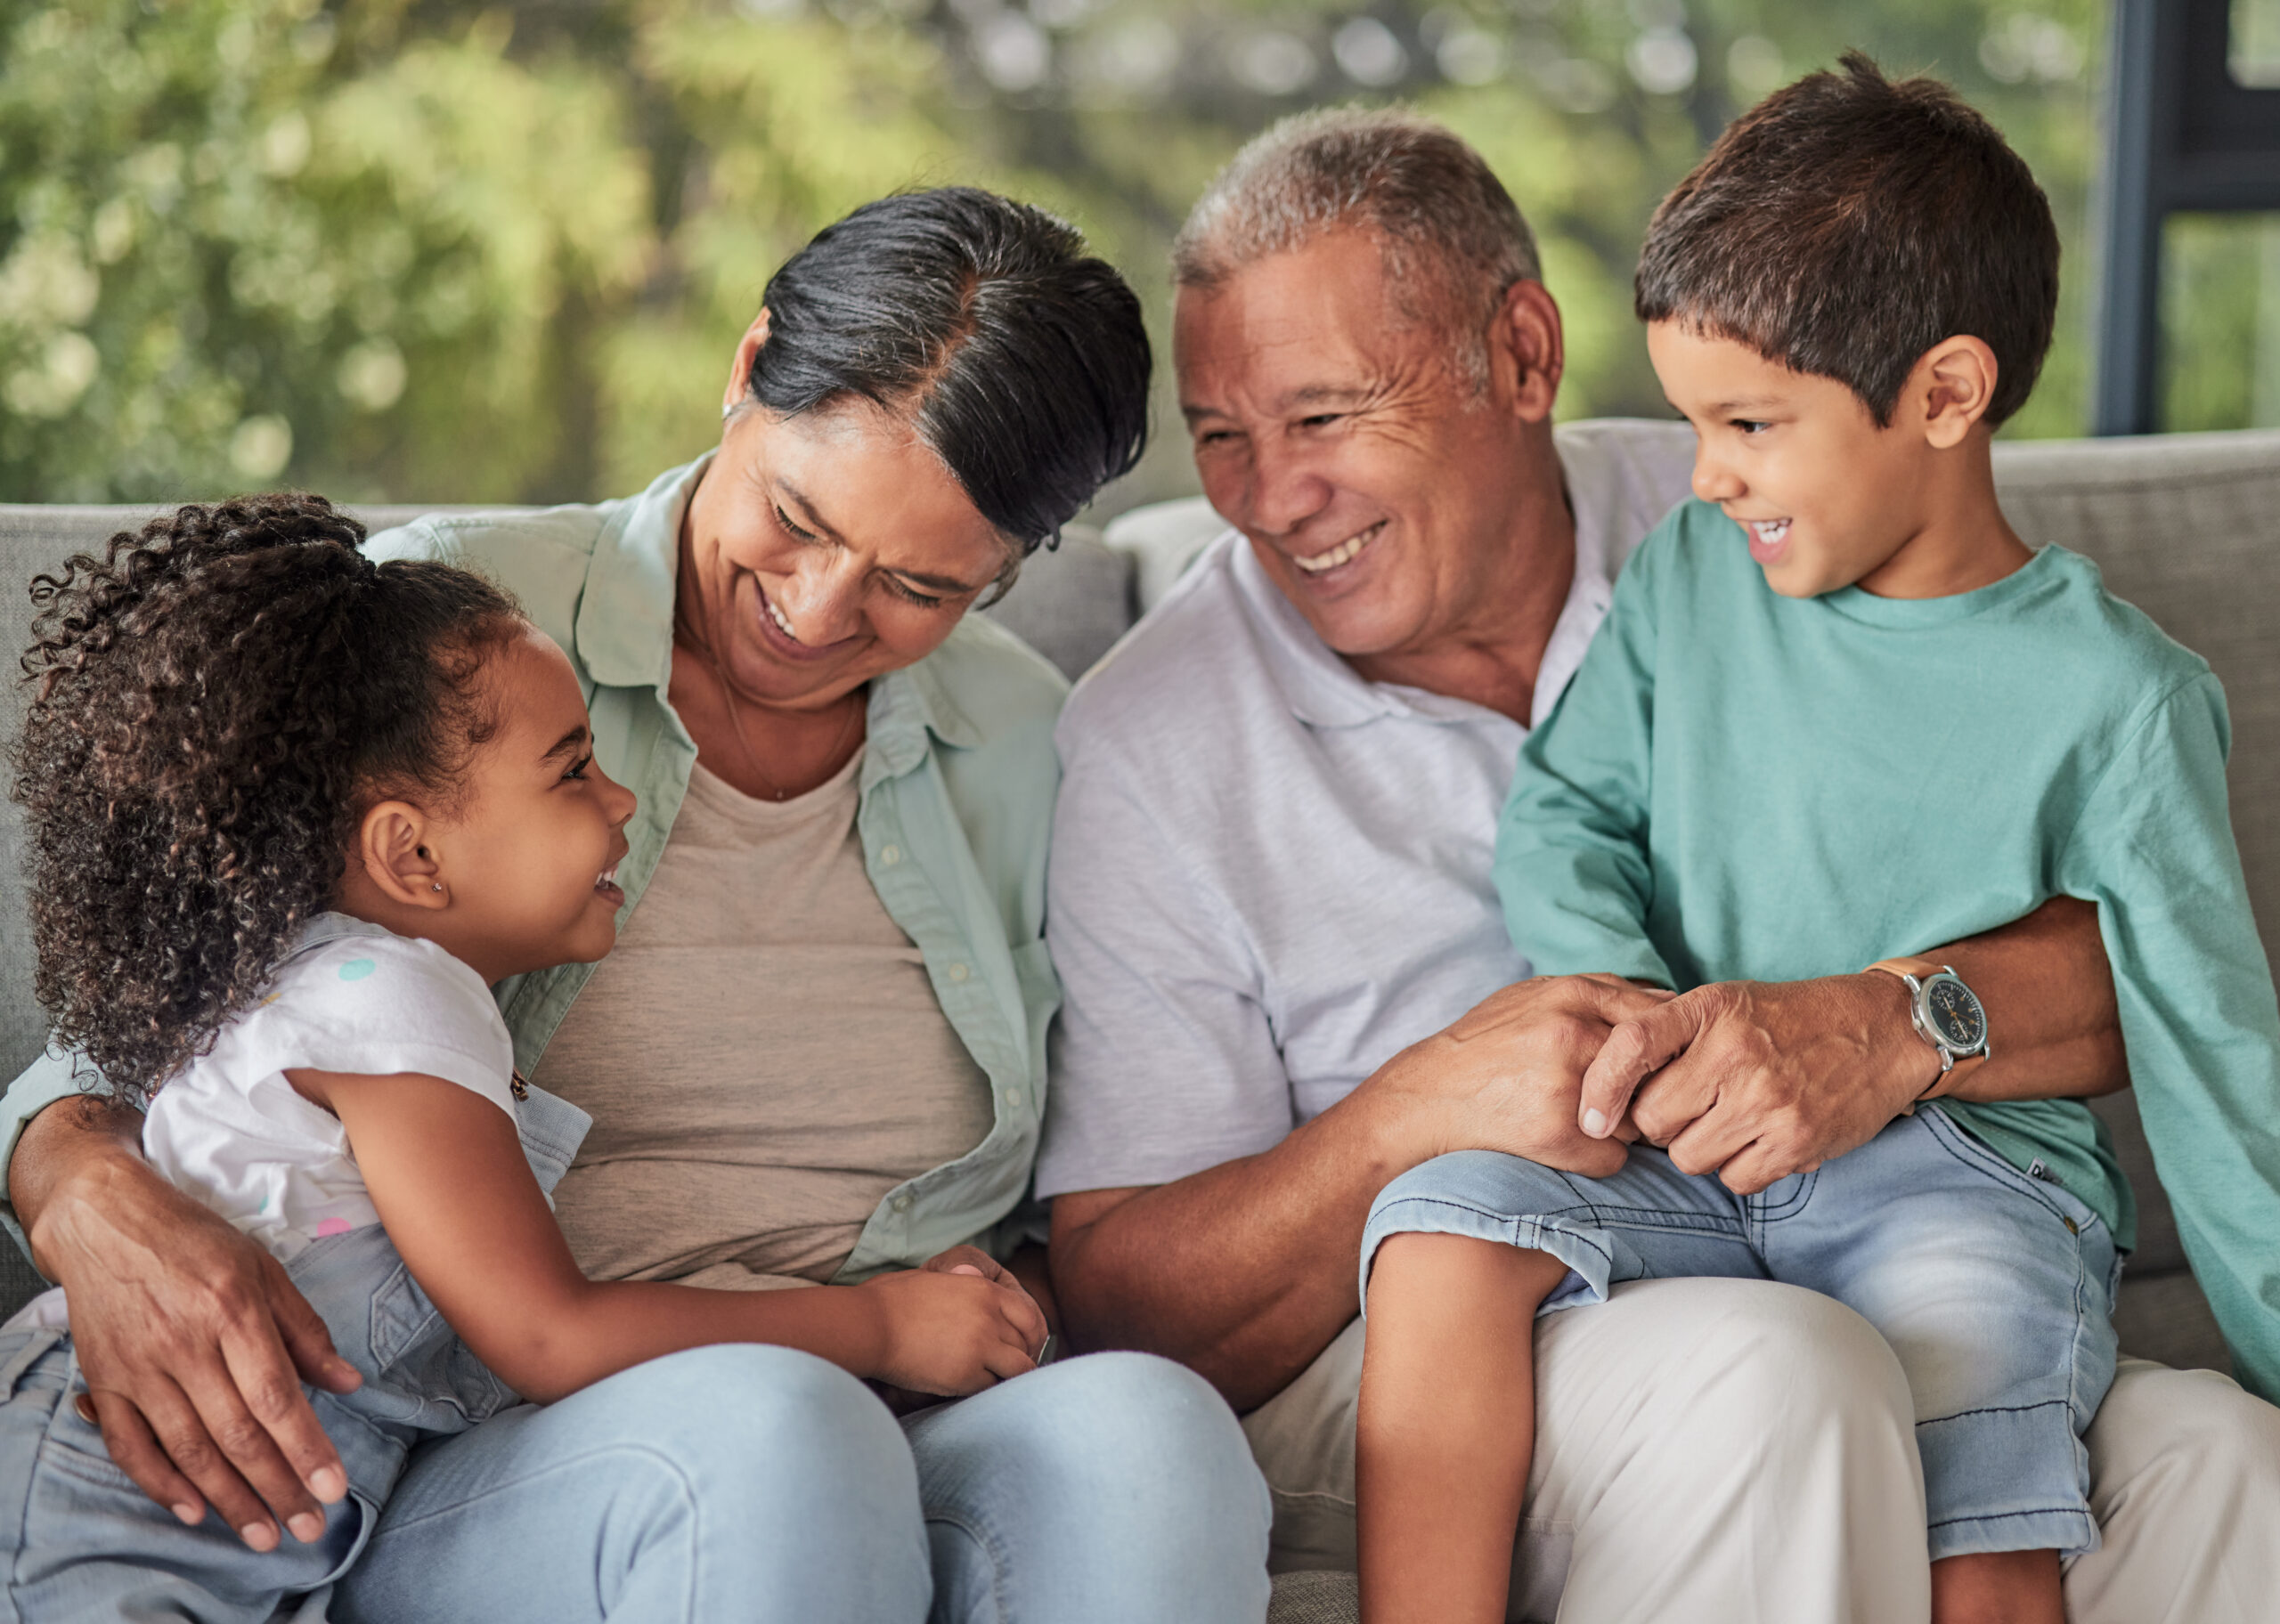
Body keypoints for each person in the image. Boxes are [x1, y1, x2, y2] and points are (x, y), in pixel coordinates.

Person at [1040, 106, 2280, 1622]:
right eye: (1222, 436)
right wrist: (1419, 1110)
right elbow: (1110, 1295)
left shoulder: (1760, 502)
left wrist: (1881, 1026)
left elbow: (2151, 972)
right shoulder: (1142, 742)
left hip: (1875, 1201)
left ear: (1522, 354)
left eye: (1323, 417)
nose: (1267, 495)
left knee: (2222, 1454)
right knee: (1775, 1372)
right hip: (1449, 1320)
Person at [0, 190, 1271, 1621]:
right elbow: (153, 1019)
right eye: (796, 516)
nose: (816, 609)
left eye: (919, 587)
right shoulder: (463, 628)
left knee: (1150, 1440)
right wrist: (82, 1191)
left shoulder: (1029, 746)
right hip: (506, 1452)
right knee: (779, 1427)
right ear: (747, 367)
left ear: (1010, 572)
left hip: (889, 1392)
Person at [0, 494, 1061, 1618]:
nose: (621, 802)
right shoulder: (392, 1008)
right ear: (410, 853)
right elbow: (553, 1334)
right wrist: (884, 1325)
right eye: (571, 771)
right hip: (110, 1500)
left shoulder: (328, 987)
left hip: (241, 1524)